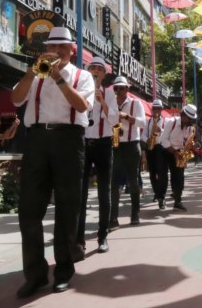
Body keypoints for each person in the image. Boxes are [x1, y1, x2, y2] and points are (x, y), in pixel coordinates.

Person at [10, 26, 94, 296]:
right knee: (28, 210)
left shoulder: (83, 76)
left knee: (67, 209)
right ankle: (34, 274)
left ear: (72, 50)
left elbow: (81, 106)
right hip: (36, 140)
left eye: (61, 48)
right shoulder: (36, 74)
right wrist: (31, 72)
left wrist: (59, 78)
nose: (56, 52)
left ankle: (63, 271)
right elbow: (15, 98)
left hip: (69, 141)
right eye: (52, 48)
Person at [76, 57, 117, 255]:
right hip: (84, 144)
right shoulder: (81, 88)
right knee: (80, 193)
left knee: (104, 192)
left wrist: (103, 102)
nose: (95, 71)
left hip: (103, 145)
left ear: (104, 74)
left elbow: (115, 119)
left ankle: (102, 236)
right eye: (92, 67)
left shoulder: (109, 94)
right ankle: (79, 240)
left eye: (98, 69)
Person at [109, 76, 146, 227]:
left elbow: (143, 122)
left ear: (127, 89)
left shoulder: (135, 103)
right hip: (115, 145)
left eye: (121, 88)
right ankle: (113, 217)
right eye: (116, 88)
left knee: (133, 181)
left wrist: (127, 117)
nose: (118, 91)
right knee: (114, 182)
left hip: (131, 144)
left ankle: (135, 214)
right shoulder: (110, 103)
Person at [160, 104, 199, 211]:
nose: (191, 121)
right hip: (166, 150)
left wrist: (189, 149)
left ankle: (178, 201)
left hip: (179, 152)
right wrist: (174, 153)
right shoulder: (171, 122)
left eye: (192, 118)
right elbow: (163, 139)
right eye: (189, 118)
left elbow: (186, 142)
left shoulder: (190, 128)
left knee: (179, 178)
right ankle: (161, 198)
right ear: (183, 115)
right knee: (163, 177)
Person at [142, 100, 167, 209]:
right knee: (152, 173)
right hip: (150, 147)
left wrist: (160, 129)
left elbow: (168, 134)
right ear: (152, 110)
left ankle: (161, 196)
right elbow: (142, 135)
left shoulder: (166, 121)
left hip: (161, 147)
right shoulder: (147, 122)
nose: (156, 110)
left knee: (162, 173)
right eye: (154, 108)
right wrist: (147, 139)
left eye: (158, 108)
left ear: (161, 109)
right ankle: (157, 192)